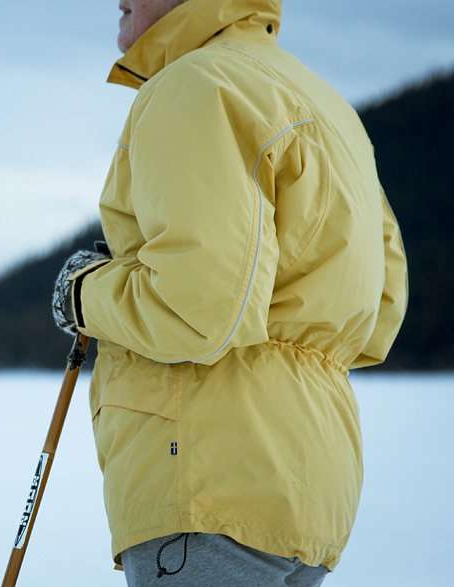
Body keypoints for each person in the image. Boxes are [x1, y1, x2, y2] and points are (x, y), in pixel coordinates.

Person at [50, 0, 409, 585]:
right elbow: (381, 314)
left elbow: (197, 310)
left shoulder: (197, 85)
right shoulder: (329, 107)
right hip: (314, 487)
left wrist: (84, 293)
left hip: (208, 480)